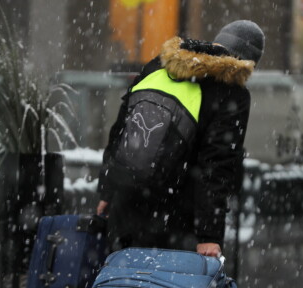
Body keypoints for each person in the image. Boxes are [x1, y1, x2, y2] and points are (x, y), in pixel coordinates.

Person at [96, 20, 265, 258]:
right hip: (177, 221)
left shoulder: (160, 65)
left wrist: (107, 190)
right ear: (249, 62)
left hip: (126, 207)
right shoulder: (230, 91)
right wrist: (209, 235)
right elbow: (217, 164)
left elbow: (121, 129)